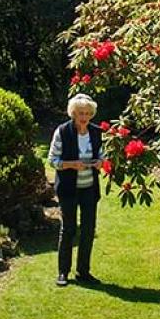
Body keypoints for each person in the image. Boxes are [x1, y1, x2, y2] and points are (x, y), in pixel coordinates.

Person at [47, 93, 104, 287]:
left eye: (88, 113)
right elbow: (52, 160)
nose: (84, 117)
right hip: (68, 189)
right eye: (80, 113)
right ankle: (63, 272)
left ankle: (83, 272)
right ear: (73, 113)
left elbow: (101, 155)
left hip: (89, 189)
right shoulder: (63, 131)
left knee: (88, 230)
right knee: (69, 229)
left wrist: (99, 163)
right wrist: (71, 164)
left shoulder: (96, 132)